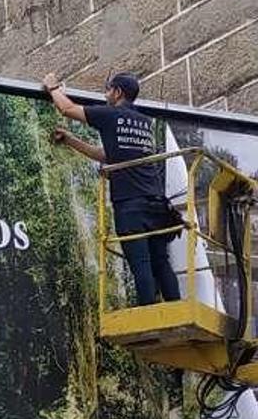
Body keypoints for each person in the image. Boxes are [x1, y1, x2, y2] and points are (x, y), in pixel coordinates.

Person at [43, 71, 181, 306]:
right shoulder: (145, 124)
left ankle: (147, 317)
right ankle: (176, 310)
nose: (106, 95)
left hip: (131, 205)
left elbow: (67, 109)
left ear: (117, 92)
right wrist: (70, 140)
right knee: (160, 260)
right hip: (157, 205)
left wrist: (53, 88)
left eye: (108, 90)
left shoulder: (110, 114)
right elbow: (108, 156)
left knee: (141, 263)